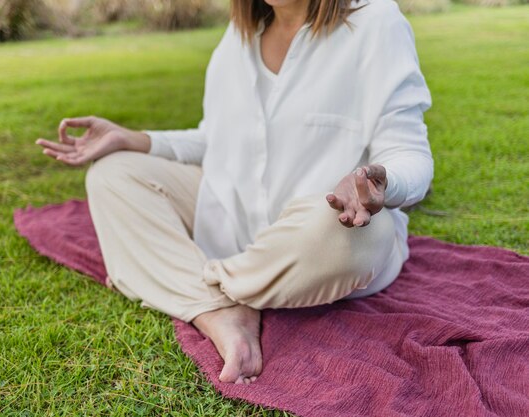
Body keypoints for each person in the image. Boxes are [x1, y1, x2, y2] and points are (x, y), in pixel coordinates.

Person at [35, 0, 433, 385]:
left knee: (362, 234)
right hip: (231, 218)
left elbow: (408, 153)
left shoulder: (376, 21)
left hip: (323, 231)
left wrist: (378, 181)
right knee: (112, 174)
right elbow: (214, 140)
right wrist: (135, 139)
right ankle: (225, 309)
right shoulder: (239, 39)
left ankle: (201, 287)